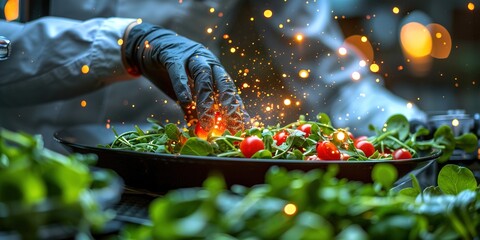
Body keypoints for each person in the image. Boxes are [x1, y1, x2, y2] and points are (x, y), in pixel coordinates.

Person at [0, 0, 426, 153]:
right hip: (27, 162)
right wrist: (123, 43)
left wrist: (416, 128)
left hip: (163, 170)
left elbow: (331, 79)